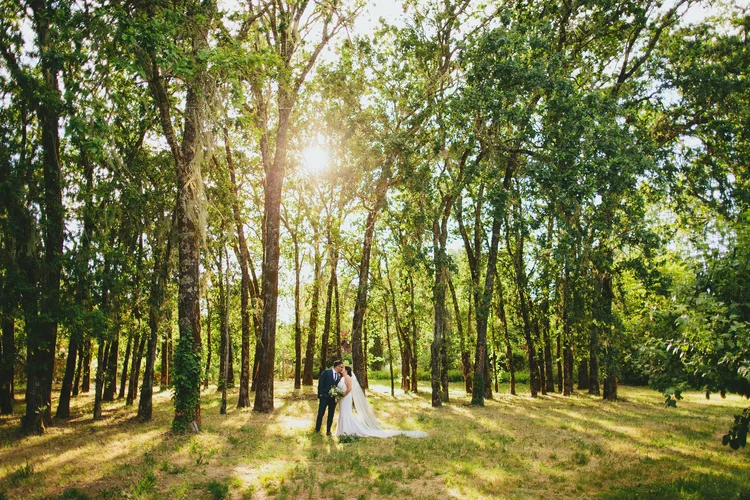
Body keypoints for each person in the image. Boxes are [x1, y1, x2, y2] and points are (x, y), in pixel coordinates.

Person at [335, 366, 428, 438]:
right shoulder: (343, 378)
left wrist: (342, 395)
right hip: (343, 398)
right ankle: (342, 430)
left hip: (346, 397)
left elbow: (349, 388)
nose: (342, 369)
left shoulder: (347, 377)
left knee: (346, 412)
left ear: (346, 371)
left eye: (343, 369)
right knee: (343, 412)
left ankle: (348, 430)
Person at [315, 360, 344, 435]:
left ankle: (328, 430)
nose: (342, 368)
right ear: (337, 366)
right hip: (324, 397)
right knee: (321, 413)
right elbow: (321, 383)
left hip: (333, 399)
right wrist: (320, 395)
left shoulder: (339, 376)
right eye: (341, 367)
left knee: (331, 415)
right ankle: (317, 429)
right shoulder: (326, 372)